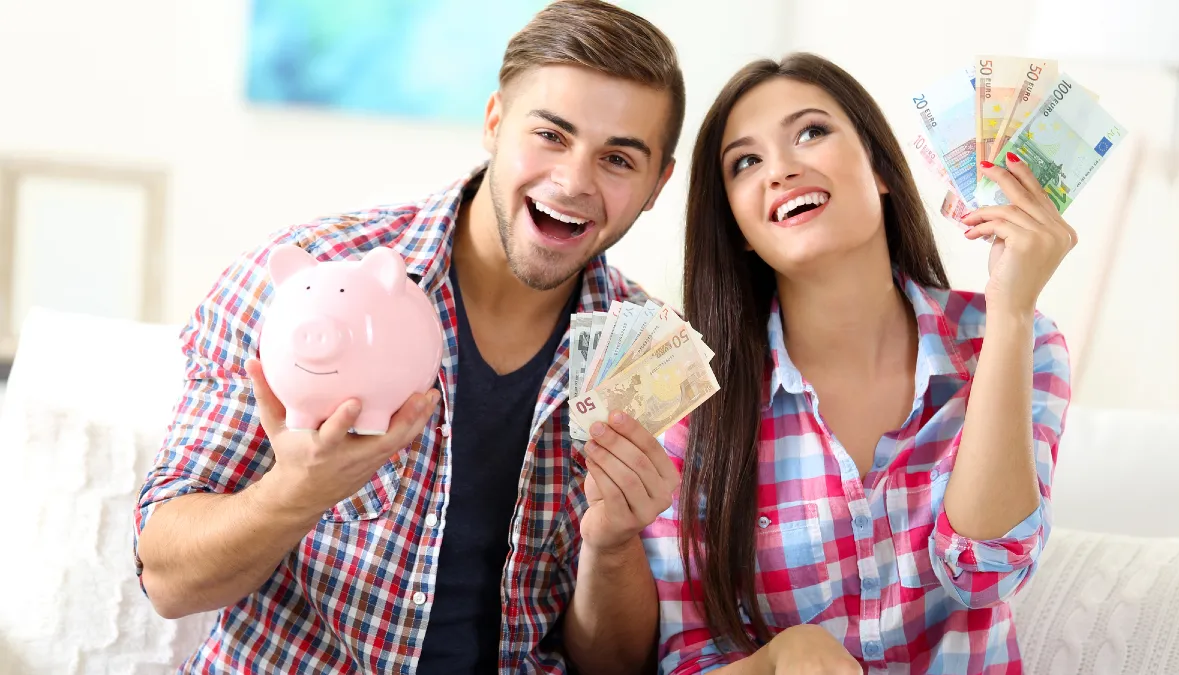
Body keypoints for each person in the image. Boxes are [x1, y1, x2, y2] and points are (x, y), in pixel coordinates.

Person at [133, 1, 683, 672]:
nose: (573, 181)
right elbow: (167, 578)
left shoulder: (647, 351)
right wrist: (296, 493)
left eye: (618, 159)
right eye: (551, 135)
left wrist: (613, 542)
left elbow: (613, 667)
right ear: (494, 122)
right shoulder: (310, 279)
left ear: (658, 184)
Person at [639, 53, 1073, 673]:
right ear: (736, 225)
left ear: (882, 169)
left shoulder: (1020, 343)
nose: (781, 170)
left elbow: (988, 570)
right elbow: (685, 657)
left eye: (810, 132)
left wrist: (1010, 313)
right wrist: (778, 660)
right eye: (746, 162)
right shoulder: (688, 399)